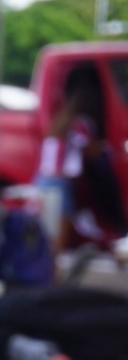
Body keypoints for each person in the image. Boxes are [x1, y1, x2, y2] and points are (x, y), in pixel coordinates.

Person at [35, 68, 122, 251]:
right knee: (58, 241)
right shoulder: (82, 123)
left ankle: (44, 274)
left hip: (42, 180)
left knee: (46, 236)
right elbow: (93, 152)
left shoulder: (59, 122)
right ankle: (51, 277)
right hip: (60, 184)